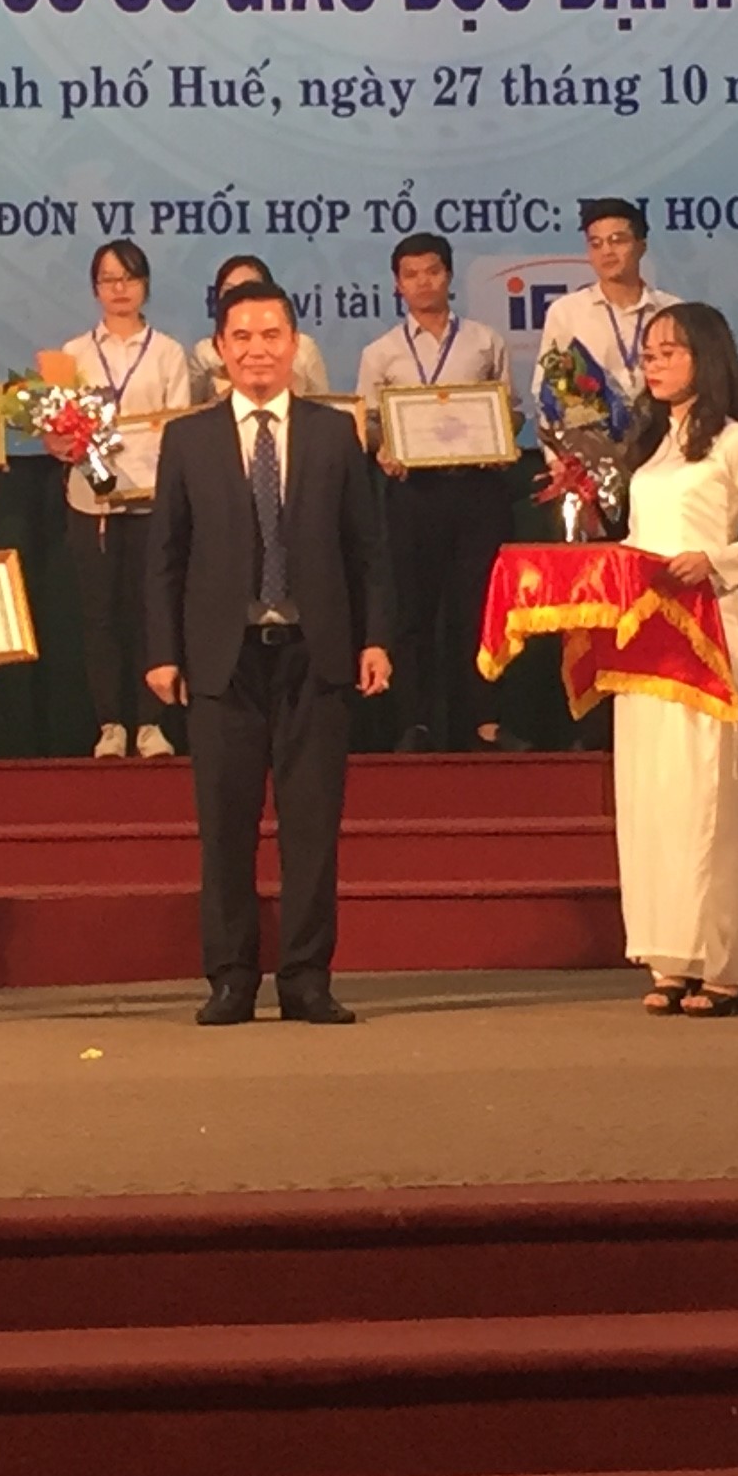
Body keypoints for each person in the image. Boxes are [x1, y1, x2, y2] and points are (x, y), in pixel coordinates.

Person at [145, 279, 395, 1026]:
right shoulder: (188, 439)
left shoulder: (332, 432)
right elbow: (165, 557)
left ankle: (307, 978)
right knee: (225, 828)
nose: (258, 350)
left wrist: (376, 637)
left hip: (316, 655)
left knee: (312, 828)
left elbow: (368, 549)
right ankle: (230, 978)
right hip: (222, 660)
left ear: (294, 345)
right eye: (243, 337)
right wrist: (163, 652)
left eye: (271, 336)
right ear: (220, 349)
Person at [615, 303, 738, 1019]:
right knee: (656, 793)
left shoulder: (734, 442)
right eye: (649, 353)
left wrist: (714, 560)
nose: (655, 364)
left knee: (712, 794)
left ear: (706, 357)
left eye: (670, 351)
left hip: (708, 627)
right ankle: (671, 956)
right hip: (648, 637)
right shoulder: (652, 442)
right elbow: (638, 536)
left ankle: (727, 962)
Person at [353, 232, 518, 755]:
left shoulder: (485, 342)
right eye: (411, 274)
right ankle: (416, 724)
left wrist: (501, 439)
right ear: (397, 285)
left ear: (449, 276)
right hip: (412, 494)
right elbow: (367, 424)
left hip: (475, 491)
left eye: (432, 271)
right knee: (412, 612)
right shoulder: (380, 353)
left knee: (479, 610)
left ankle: (485, 722)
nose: (423, 282)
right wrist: (383, 448)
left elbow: (510, 412)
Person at [52, 240, 199, 759]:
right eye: (109, 279)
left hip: (153, 499)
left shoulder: (167, 352)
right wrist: (58, 441)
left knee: (151, 611)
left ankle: (152, 722)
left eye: (129, 278)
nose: (119, 289)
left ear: (145, 285)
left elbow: (179, 427)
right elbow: (59, 425)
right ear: (95, 288)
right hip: (91, 499)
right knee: (100, 615)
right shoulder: (73, 354)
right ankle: (110, 723)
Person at [532, 198, 681, 424]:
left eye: (617, 241)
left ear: (642, 246)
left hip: (664, 438)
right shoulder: (567, 312)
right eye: (596, 244)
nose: (607, 251)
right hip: (594, 440)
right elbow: (547, 390)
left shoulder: (672, 311)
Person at [184, 253, 331, 401]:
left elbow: (323, 405)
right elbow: (194, 409)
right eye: (229, 291)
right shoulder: (205, 354)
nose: (241, 298)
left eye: (251, 288)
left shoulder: (304, 348)